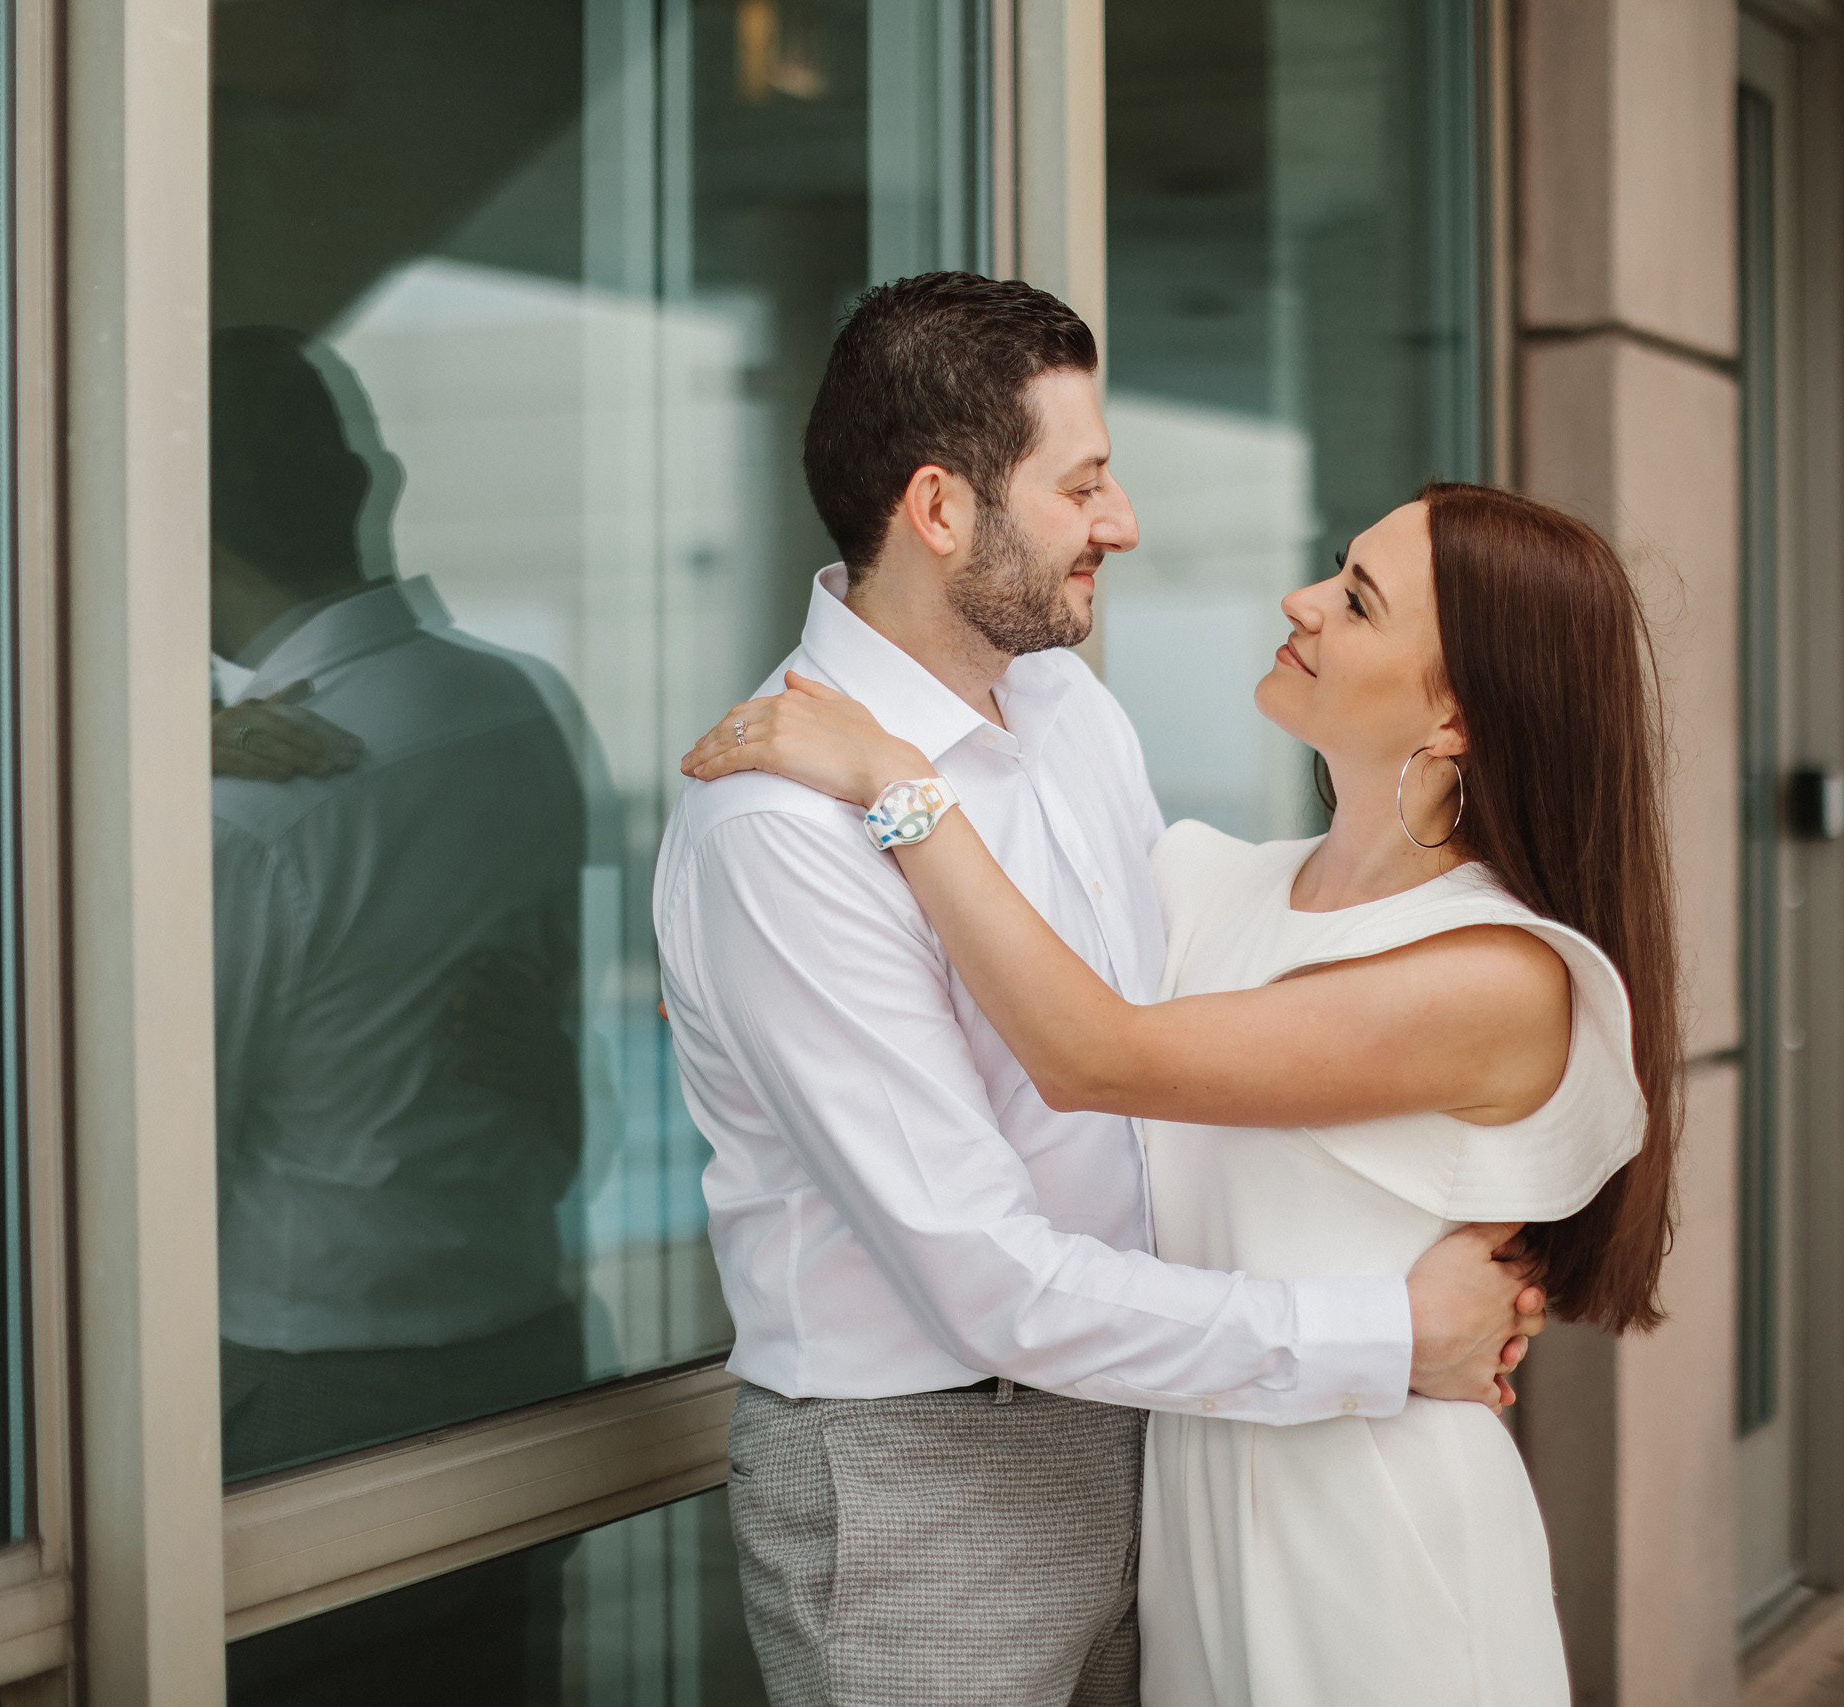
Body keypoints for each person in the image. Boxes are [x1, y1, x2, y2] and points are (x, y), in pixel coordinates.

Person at [652, 274, 1549, 1707]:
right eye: (1082, 485)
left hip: (1163, 1431)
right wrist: (1388, 1332)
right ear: (939, 508)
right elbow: (988, 1280)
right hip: (927, 1488)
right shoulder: (777, 831)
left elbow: (1161, 1034)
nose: (1120, 522)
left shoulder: (1071, 710)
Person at [206, 325, 611, 1489]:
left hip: (312, 1389)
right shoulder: (520, 704)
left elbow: (149, 1162)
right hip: (529, 1340)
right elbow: (556, 1048)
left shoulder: (249, 806)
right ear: (365, 486)